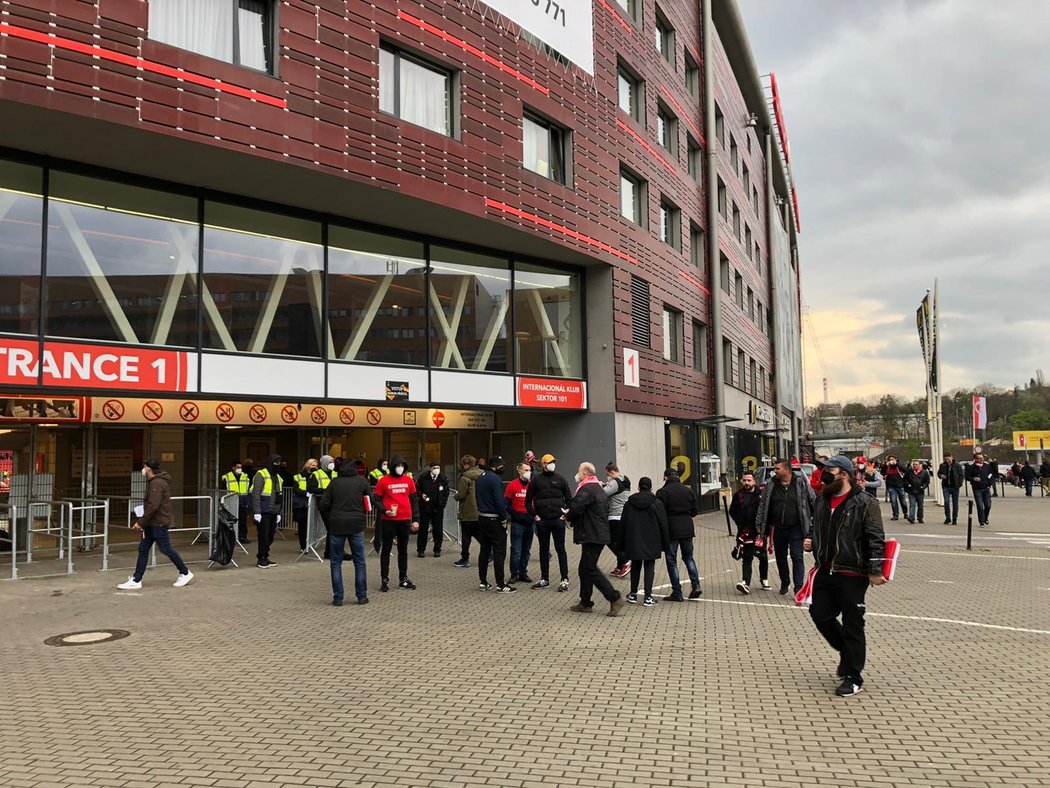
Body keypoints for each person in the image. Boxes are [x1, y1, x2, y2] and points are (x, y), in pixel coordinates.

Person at [804, 455, 886, 697]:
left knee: (853, 624)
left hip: (852, 573)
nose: (826, 473)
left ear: (845, 474)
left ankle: (852, 676)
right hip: (825, 569)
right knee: (819, 614)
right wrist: (811, 539)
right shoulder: (822, 499)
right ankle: (847, 651)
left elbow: (875, 537)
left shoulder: (864, 502)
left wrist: (875, 569)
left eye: (831, 469)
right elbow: (815, 525)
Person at [117, 459, 193, 590]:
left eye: (145, 467)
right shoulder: (157, 482)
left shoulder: (156, 483)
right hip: (153, 523)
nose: (143, 469)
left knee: (165, 548)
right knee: (143, 549)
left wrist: (140, 522)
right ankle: (136, 579)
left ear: (148, 469)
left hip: (158, 523)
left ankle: (185, 572)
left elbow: (153, 506)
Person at [567, 461, 625, 616]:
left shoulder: (587, 489)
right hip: (596, 532)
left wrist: (566, 515)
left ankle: (614, 597)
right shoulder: (597, 487)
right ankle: (585, 602)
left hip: (592, 534)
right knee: (584, 568)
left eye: (579, 472)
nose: (578, 475)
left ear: (585, 473)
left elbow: (576, 507)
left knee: (589, 568)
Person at [756, 457, 815, 595]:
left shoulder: (801, 483)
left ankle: (798, 587)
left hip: (796, 527)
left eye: (777, 468)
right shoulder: (771, 484)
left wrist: (814, 521)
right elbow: (763, 505)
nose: (774, 471)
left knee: (797, 556)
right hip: (777, 528)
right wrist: (759, 524)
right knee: (781, 558)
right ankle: (785, 582)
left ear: (787, 470)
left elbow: (813, 500)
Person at [318, 462, 370, 606]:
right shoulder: (361, 481)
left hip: (337, 525)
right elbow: (369, 499)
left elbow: (323, 504)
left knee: (336, 562)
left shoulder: (334, 483)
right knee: (359, 561)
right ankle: (362, 596)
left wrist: (332, 515)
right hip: (356, 524)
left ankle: (338, 598)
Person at [618, 476, 668, 606]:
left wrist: (621, 543)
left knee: (635, 565)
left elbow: (623, 523)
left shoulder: (629, 503)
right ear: (651, 488)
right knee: (649, 566)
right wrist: (665, 543)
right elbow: (663, 524)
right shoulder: (657, 503)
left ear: (638, 487)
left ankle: (633, 594)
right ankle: (648, 596)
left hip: (633, 539)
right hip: (652, 540)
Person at [525, 453, 572, 591]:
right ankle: (544, 578)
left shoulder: (561, 479)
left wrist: (566, 515)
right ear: (543, 464)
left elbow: (569, 499)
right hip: (543, 521)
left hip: (558, 520)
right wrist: (535, 516)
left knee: (561, 549)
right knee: (543, 550)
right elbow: (528, 501)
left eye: (553, 461)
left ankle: (564, 579)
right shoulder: (536, 480)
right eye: (550, 462)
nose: (552, 463)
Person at [372, 454, 419, 591]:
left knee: (403, 550)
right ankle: (384, 579)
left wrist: (416, 519)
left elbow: (414, 500)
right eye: (398, 466)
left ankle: (403, 578)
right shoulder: (383, 481)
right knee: (386, 549)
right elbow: (376, 499)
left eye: (402, 466)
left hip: (404, 520)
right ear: (393, 467)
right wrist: (385, 510)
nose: (400, 468)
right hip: (388, 520)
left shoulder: (409, 480)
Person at [656, 466, 701, 602]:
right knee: (688, 558)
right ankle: (696, 585)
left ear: (665, 477)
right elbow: (694, 511)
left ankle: (677, 592)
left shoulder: (662, 492)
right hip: (687, 527)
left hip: (671, 528)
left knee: (671, 560)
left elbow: (660, 512)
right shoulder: (688, 491)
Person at [475, 456, 514, 593]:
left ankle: (483, 582)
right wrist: (504, 519)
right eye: (502, 465)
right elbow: (499, 502)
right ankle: (500, 584)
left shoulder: (481, 478)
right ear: (496, 466)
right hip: (494, 520)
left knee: (484, 550)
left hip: (482, 518)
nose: (503, 468)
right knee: (499, 552)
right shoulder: (495, 479)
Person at [729, 471, 767, 594]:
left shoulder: (761, 495)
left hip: (759, 531)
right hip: (745, 531)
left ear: (754, 481)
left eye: (749, 480)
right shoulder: (738, 495)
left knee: (762, 555)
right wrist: (739, 522)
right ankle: (745, 582)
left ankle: (764, 578)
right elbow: (732, 511)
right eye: (744, 480)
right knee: (747, 557)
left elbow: (767, 511)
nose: (746, 483)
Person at [250, 453, 284, 568]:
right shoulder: (261, 474)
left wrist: (279, 512)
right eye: (275, 462)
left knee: (270, 536)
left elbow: (279, 496)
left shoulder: (278, 477)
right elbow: (256, 494)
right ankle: (262, 558)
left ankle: (265, 555)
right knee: (263, 536)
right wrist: (256, 512)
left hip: (274, 510)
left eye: (279, 463)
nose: (277, 465)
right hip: (264, 510)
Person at [504, 462, 534, 584]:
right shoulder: (512, 485)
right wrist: (516, 515)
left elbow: (536, 502)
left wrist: (532, 515)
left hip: (529, 521)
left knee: (526, 549)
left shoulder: (532, 485)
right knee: (516, 549)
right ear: (520, 471)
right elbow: (506, 504)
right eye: (526, 470)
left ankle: (523, 573)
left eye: (529, 470)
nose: (528, 472)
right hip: (517, 522)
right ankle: (514, 574)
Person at [452, 454, 483, 568]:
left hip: (468, 511)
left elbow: (461, 495)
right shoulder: (481, 475)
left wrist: (455, 496)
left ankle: (465, 558)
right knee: (479, 533)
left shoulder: (465, 478)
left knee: (466, 536)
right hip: (480, 510)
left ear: (465, 465)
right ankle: (490, 552)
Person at [603, 462, 632, 578]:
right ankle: (620, 567)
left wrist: (602, 486)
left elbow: (603, 493)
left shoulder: (615, 482)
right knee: (619, 541)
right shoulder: (626, 479)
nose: (608, 477)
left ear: (612, 472)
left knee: (609, 540)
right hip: (624, 514)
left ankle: (625, 561)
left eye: (608, 475)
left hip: (615, 515)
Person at [415, 460, 450, 558]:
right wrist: (421, 495)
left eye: (438, 468)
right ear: (430, 469)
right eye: (434, 468)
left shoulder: (443, 478)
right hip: (425, 507)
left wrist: (442, 504)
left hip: (438, 508)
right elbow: (417, 488)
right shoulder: (423, 477)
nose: (436, 470)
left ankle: (437, 549)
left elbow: (446, 492)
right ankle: (421, 550)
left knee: (438, 529)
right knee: (423, 529)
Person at [309, 454, 338, 558]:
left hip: (335, 504)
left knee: (335, 528)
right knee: (331, 527)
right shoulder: (316, 474)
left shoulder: (335, 474)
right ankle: (330, 552)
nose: (332, 464)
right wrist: (326, 491)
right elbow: (311, 488)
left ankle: (333, 551)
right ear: (325, 463)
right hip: (324, 504)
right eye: (330, 462)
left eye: (333, 462)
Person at [221, 460, 251, 544]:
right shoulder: (227, 477)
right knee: (230, 521)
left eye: (240, 467)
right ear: (233, 467)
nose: (239, 469)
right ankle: (230, 537)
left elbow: (247, 490)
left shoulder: (245, 477)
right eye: (238, 467)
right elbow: (223, 490)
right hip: (231, 502)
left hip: (242, 502)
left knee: (243, 521)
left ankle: (242, 537)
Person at [291, 458, 318, 551]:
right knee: (302, 526)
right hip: (301, 504)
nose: (314, 467)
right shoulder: (298, 476)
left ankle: (309, 543)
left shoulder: (316, 476)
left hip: (312, 503)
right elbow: (296, 489)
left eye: (315, 465)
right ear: (307, 465)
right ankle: (303, 545)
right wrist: (305, 493)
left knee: (311, 525)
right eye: (312, 465)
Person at [966, 452, 995, 528]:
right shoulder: (971, 467)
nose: (981, 459)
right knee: (979, 505)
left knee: (988, 505)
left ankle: (985, 518)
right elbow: (967, 476)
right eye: (979, 458)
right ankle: (981, 521)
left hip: (986, 488)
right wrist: (973, 478)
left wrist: (989, 483)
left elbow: (991, 474)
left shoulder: (987, 466)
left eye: (982, 458)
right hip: (977, 488)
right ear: (975, 459)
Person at [937, 452, 964, 524]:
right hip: (946, 486)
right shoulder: (942, 465)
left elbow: (961, 475)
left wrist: (959, 484)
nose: (947, 461)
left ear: (951, 457)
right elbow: (938, 473)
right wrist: (941, 476)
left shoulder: (957, 465)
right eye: (945, 459)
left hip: (955, 487)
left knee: (955, 503)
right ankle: (948, 518)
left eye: (948, 459)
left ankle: (955, 518)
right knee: (946, 502)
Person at [903, 460, 930, 524]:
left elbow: (927, 481)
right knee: (912, 504)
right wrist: (907, 484)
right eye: (914, 464)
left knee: (920, 505)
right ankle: (911, 518)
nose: (915, 466)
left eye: (916, 464)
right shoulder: (909, 472)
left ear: (919, 465)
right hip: (911, 490)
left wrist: (923, 486)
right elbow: (905, 479)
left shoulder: (924, 472)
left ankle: (920, 518)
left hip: (920, 491)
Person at [881, 456, 907, 522]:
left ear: (895, 459)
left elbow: (905, 470)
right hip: (891, 486)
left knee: (903, 501)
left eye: (892, 459)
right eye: (890, 459)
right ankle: (895, 515)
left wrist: (896, 464)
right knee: (893, 501)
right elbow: (882, 472)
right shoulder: (888, 467)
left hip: (900, 485)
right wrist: (885, 465)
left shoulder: (899, 465)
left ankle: (905, 513)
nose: (891, 461)